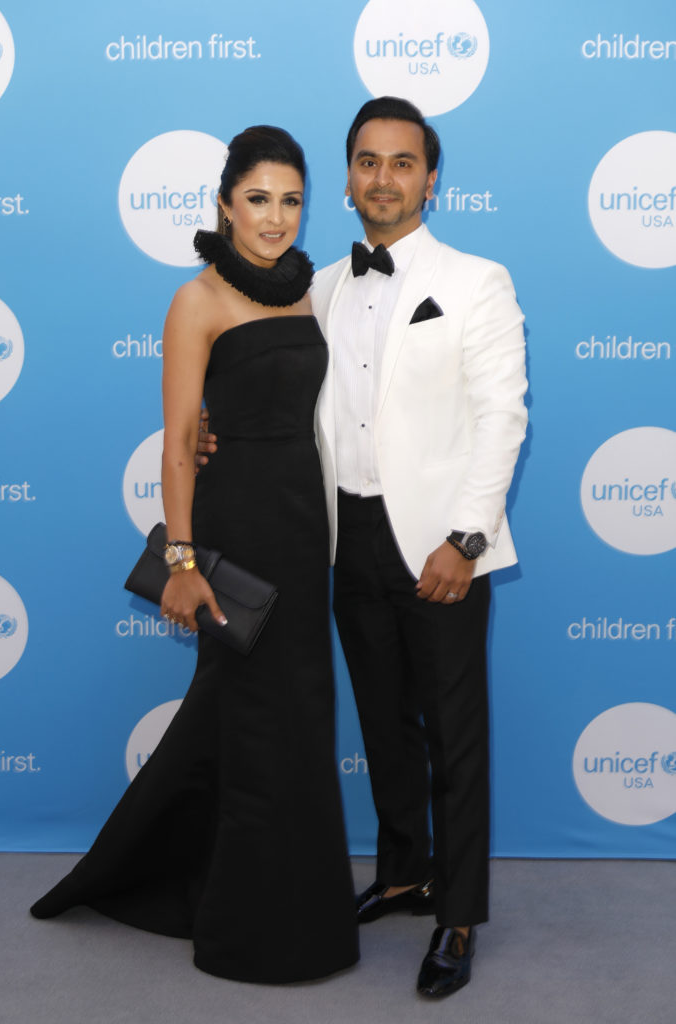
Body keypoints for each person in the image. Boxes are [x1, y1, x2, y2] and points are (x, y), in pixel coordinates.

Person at [200, 97, 527, 998]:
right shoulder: (320, 286)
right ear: (347, 179)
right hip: (339, 539)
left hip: (439, 545)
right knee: (385, 722)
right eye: (367, 162)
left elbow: (503, 421)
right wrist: (208, 432)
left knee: (454, 737)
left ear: (430, 177)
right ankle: (403, 872)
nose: (383, 178)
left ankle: (458, 916)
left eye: (402, 162)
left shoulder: (478, 281)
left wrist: (466, 539)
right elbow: (280, 394)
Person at [30, 125, 359, 984]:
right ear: (224, 203)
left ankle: (287, 906)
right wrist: (181, 559)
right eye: (258, 199)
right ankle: (251, 932)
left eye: (291, 200)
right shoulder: (199, 300)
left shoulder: (311, 291)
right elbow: (180, 440)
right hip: (238, 523)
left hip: (303, 527)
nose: (276, 217)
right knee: (252, 721)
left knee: (292, 718)